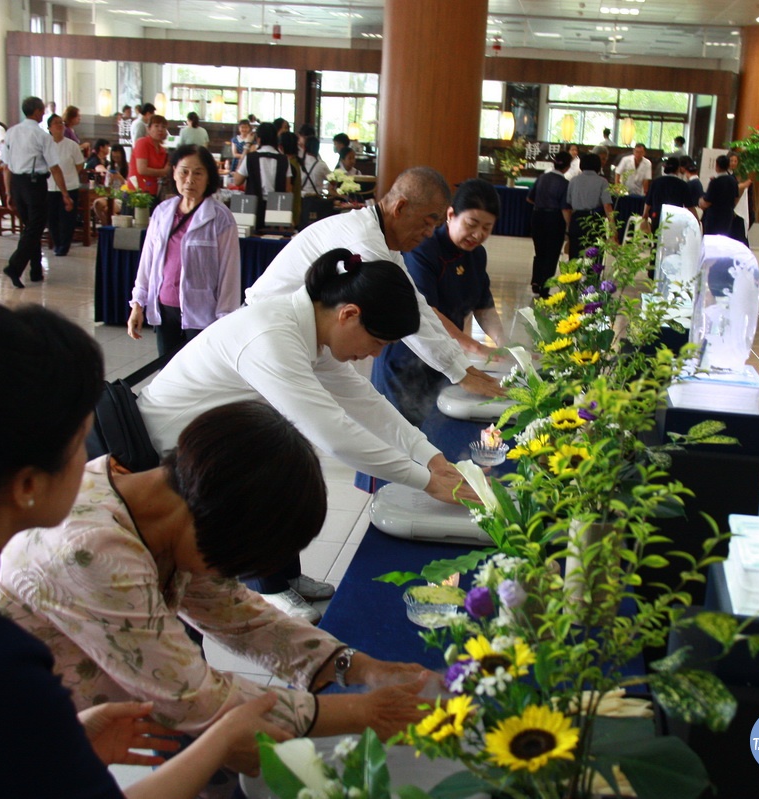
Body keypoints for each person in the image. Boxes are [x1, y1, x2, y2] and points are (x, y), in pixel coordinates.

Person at [0, 303, 291, 799]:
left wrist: (59, 748)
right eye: (81, 444)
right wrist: (220, 741)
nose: (95, 463)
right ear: (26, 484)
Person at [0, 401, 431, 795]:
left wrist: (358, 667)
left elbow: (239, 616)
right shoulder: (92, 553)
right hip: (2, 735)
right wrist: (367, 712)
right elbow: (193, 698)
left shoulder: (168, 500)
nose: (229, 576)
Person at [140, 249, 469, 621]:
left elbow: (364, 402)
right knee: (281, 462)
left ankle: (285, 578)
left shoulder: (307, 326)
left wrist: (430, 456)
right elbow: (334, 434)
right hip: (164, 452)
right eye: (378, 343)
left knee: (277, 456)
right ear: (349, 315)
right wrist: (426, 482)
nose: (372, 356)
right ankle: (268, 590)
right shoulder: (272, 336)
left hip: (217, 444)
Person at [247, 166, 504, 401]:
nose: (428, 233)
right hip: (267, 333)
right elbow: (402, 311)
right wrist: (458, 372)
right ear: (400, 208)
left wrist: (462, 367)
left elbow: (418, 306)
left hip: (302, 338)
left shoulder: (384, 243)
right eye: (427, 222)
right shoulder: (364, 239)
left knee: (357, 408)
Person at [372, 179, 506, 427]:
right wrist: (475, 347)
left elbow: (484, 306)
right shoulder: (425, 248)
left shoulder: (477, 254)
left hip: (444, 358)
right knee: (393, 436)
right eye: (471, 224)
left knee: (429, 432)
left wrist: (505, 344)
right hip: (407, 359)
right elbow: (428, 311)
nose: (478, 235)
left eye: (487, 228)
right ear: (451, 215)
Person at [128, 145, 240, 361]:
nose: (190, 179)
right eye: (184, 171)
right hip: (165, 308)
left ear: (209, 177)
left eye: (198, 173)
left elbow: (230, 273)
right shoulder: (162, 212)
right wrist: (137, 304)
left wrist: (224, 320)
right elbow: (147, 263)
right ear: (174, 173)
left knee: (199, 376)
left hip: (203, 314)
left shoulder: (220, 218)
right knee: (167, 375)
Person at [0, 96, 75, 287]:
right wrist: (65, 193)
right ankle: (15, 266)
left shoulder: (11, 132)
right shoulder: (42, 136)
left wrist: (8, 193)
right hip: (34, 185)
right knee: (35, 228)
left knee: (29, 227)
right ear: (39, 112)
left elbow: (6, 166)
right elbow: (55, 168)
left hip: (17, 183)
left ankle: (36, 270)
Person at [527, 150, 572, 296]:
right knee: (552, 254)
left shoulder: (542, 178)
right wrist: (569, 227)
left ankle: (535, 281)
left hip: (537, 216)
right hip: (554, 219)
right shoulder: (565, 183)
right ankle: (545, 287)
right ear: (568, 166)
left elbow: (529, 198)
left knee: (540, 251)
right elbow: (565, 208)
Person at [45, 114, 86, 257]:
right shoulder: (46, 144)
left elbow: (80, 164)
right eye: (56, 123)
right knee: (52, 217)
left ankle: (64, 246)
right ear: (49, 128)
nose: (60, 125)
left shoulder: (72, 145)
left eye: (61, 123)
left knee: (67, 218)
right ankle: (56, 243)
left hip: (70, 186)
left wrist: (70, 174)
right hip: (50, 186)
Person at [565, 151, 614, 259]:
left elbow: (568, 205)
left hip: (576, 219)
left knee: (575, 256)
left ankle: (574, 275)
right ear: (598, 165)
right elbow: (607, 206)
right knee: (595, 256)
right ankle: (593, 275)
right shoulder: (602, 181)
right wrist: (613, 229)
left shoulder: (573, 181)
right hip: (595, 220)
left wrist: (569, 227)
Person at [232, 121, 289, 200]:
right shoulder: (284, 159)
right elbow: (288, 188)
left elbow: (237, 181)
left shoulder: (250, 158)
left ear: (258, 139)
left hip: (253, 207)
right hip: (276, 207)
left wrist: (247, 145)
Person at [641, 156, 692, 232]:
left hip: (657, 216)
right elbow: (689, 205)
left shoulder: (656, 182)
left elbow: (648, 201)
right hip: (675, 218)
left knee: (657, 241)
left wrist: (645, 214)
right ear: (678, 169)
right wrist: (696, 219)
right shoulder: (683, 185)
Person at [699, 154, 741, 242]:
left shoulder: (715, 182)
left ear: (717, 165)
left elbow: (707, 202)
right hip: (727, 216)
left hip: (714, 216)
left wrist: (700, 201)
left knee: (711, 240)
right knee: (723, 239)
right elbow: (736, 198)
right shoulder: (733, 181)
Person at [130, 114, 171, 194]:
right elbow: (142, 169)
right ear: (148, 129)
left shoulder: (162, 150)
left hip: (153, 192)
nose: (160, 129)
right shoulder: (142, 143)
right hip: (136, 194)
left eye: (163, 127)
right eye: (156, 126)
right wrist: (163, 171)